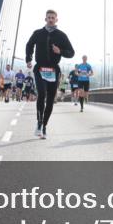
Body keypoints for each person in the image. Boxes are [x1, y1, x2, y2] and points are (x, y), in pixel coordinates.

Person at [25, 9, 75, 138]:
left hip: (53, 70)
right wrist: (28, 59)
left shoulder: (61, 35)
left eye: (53, 17)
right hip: (40, 68)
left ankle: (44, 126)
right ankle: (39, 122)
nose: (51, 19)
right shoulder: (38, 33)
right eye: (49, 17)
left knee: (50, 99)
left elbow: (71, 53)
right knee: (41, 93)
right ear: (45, 19)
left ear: (56, 19)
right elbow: (29, 45)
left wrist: (60, 51)